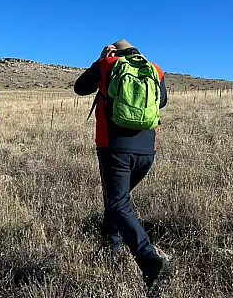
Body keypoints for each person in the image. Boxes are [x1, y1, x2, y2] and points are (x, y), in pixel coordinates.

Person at [74, 39, 171, 294]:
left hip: (113, 147)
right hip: (147, 150)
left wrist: (100, 60)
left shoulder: (108, 64)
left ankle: (149, 260)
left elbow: (80, 88)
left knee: (118, 203)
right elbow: (161, 102)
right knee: (116, 199)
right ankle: (111, 247)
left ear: (114, 51)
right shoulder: (155, 69)